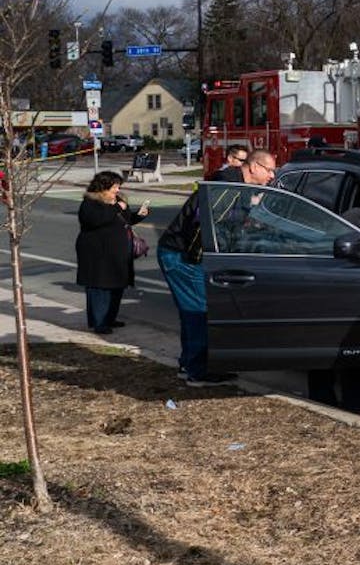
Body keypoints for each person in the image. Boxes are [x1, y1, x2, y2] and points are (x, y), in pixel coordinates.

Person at [157, 148, 277, 386]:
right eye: (270, 170)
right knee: (199, 312)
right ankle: (198, 372)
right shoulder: (226, 184)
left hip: (188, 256)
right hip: (183, 256)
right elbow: (209, 221)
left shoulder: (238, 187)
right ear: (254, 167)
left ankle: (189, 364)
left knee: (193, 313)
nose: (272, 176)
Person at [75, 171, 150, 334]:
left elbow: (126, 220)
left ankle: (110, 318)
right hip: (97, 254)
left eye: (118, 186)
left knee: (117, 286)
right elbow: (95, 220)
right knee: (100, 288)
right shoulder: (90, 203)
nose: (117, 190)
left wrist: (139, 215)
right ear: (103, 187)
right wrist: (116, 207)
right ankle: (99, 322)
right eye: (114, 187)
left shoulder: (118, 201)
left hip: (118, 253)